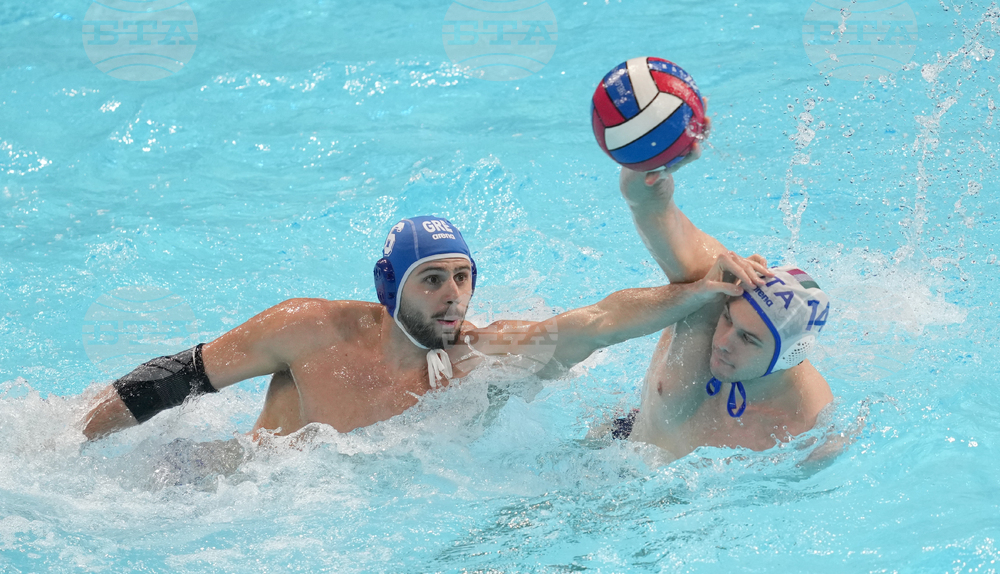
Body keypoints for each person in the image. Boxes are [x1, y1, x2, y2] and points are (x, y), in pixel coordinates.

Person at [81, 215, 763, 442]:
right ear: (389, 287)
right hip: (242, 485)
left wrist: (702, 290)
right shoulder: (312, 329)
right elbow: (178, 378)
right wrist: (76, 441)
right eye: (432, 279)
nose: (454, 298)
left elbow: (597, 323)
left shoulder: (476, 358)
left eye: (463, 277)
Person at [611, 150, 834, 461]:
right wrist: (656, 157)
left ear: (788, 356)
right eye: (729, 319)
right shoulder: (713, 292)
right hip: (617, 444)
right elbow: (645, 202)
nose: (723, 343)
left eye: (748, 338)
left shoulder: (808, 431)